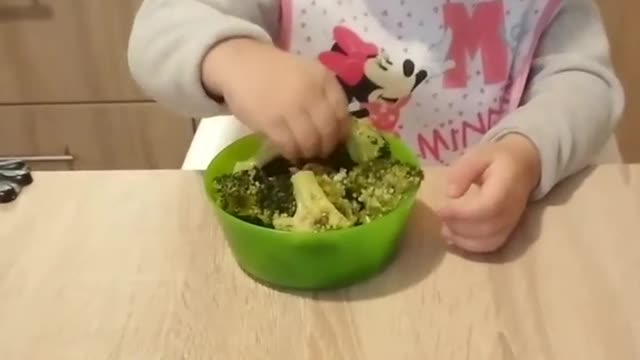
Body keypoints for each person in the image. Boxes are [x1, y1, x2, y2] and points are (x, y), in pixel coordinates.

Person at [127, 0, 624, 253]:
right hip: (313, 253)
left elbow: (583, 82)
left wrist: (527, 151)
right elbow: (160, 26)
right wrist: (232, 57)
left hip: (473, 232)